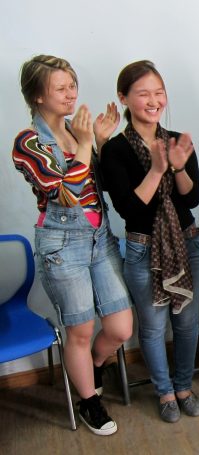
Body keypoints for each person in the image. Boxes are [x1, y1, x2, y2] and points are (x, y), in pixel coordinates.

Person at [12, 55, 133, 436]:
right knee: (79, 330)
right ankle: (88, 401)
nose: (71, 94)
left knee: (121, 328)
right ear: (37, 96)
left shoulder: (74, 132)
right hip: (62, 247)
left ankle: (93, 367)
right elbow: (67, 194)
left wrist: (98, 142)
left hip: (100, 239)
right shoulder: (28, 142)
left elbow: (99, 186)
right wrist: (85, 143)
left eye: (72, 86)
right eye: (60, 88)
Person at [100, 61, 199, 424]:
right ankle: (164, 392)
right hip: (143, 248)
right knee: (153, 327)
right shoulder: (114, 150)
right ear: (123, 98)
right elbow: (129, 208)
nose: (153, 101)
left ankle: (184, 387)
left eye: (159, 93)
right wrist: (158, 170)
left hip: (188, 243)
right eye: (143, 93)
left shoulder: (176, 141)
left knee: (187, 323)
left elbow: (193, 199)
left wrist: (178, 167)